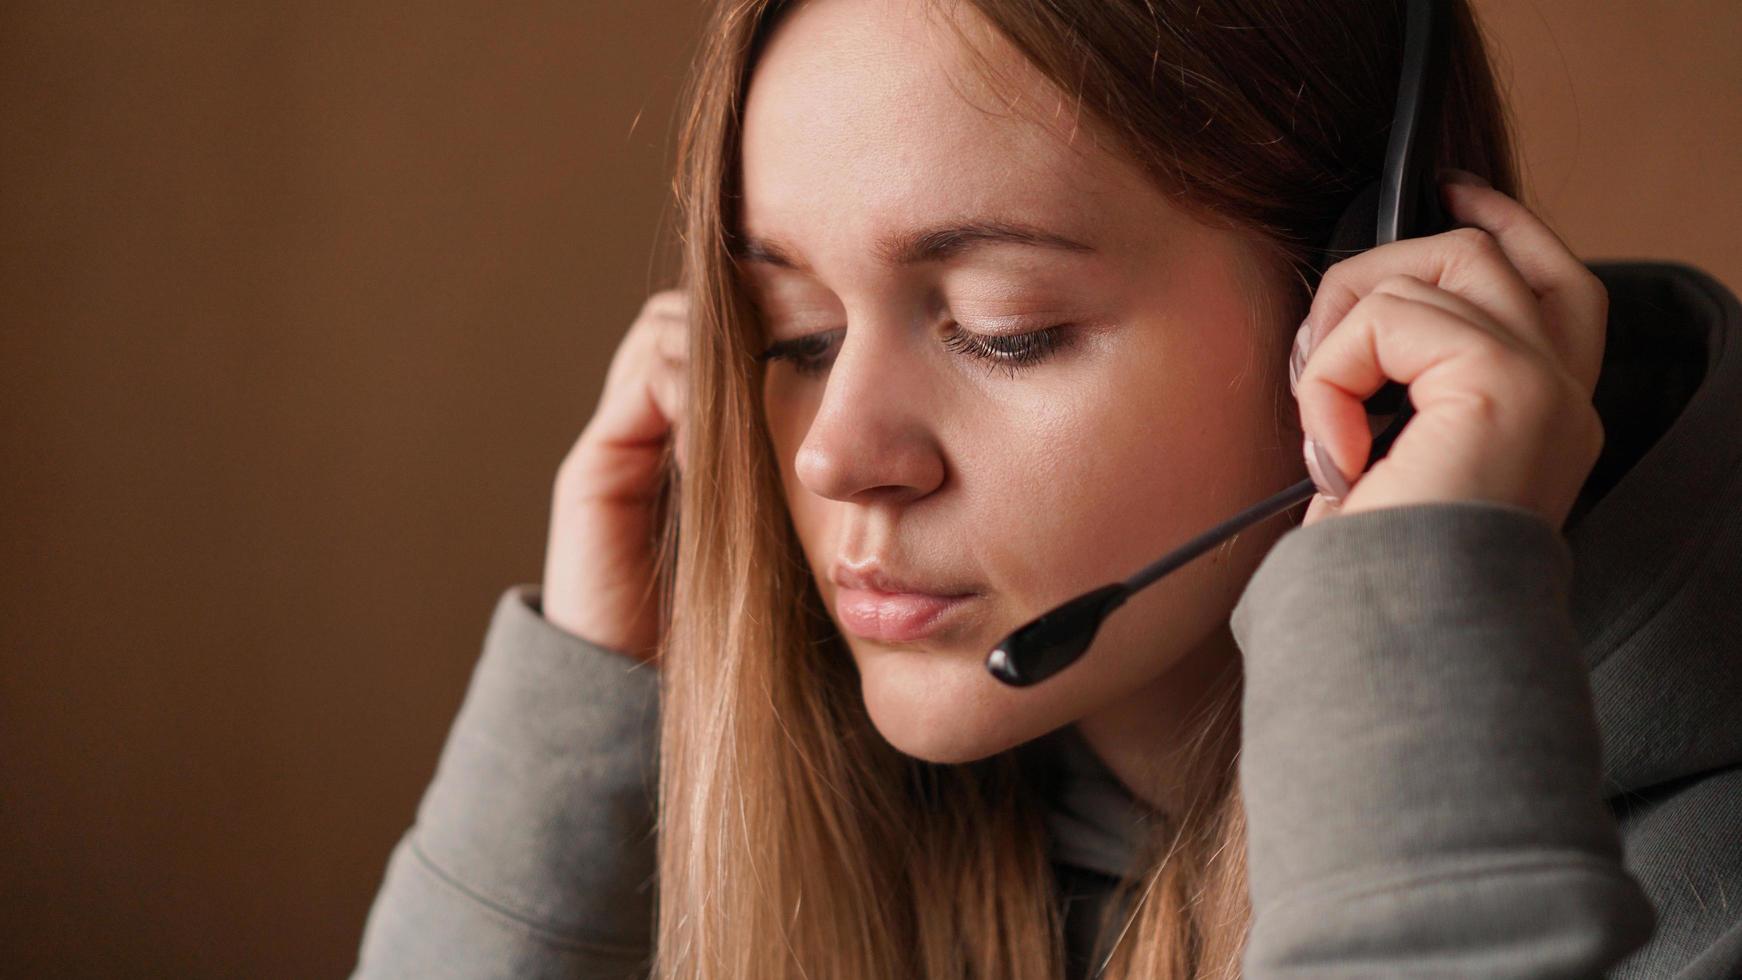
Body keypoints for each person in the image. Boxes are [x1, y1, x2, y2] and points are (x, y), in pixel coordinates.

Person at [351, 0, 1742, 977]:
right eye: (795, 338)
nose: (835, 456)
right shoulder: (910, 801)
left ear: (1366, 304)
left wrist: (1416, 635)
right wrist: (577, 750)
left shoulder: (1706, 891)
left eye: (1002, 325)